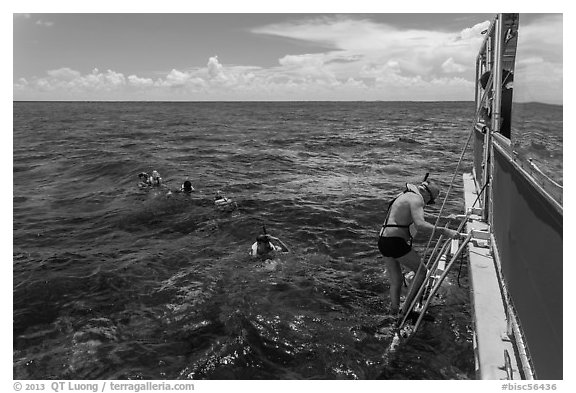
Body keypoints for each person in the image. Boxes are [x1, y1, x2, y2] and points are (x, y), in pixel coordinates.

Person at [378, 180, 460, 319]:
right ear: (428, 195)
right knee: (422, 272)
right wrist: (445, 231)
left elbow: (408, 216)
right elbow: (420, 224)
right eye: (431, 201)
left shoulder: (404, 195)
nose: (428, 204)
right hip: (396, 242)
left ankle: (393, 312)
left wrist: (442, 218)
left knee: (396, 281)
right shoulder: (417, 199)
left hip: (383, 240)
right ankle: (406, 311)